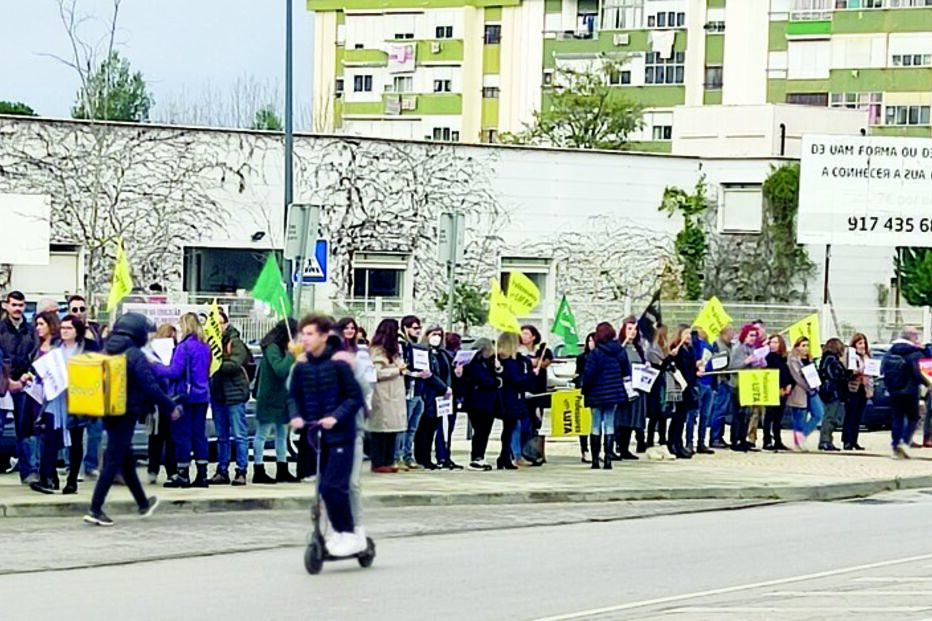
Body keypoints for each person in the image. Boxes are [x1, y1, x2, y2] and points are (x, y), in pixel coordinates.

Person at [85, 313, 177, 526]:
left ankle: (143, 503)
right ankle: (95, 508)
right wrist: (170, 406)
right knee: (114, 460)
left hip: (108, 410)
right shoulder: (134, 354)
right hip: (126, 413)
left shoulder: (108, 348)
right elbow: (150, 386)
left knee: (126, 459)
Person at [288, 314, 365, 557]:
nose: (305, 339)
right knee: (323, 488)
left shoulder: (340, 363)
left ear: (324, 336)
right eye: (303, 334)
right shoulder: (301, 366)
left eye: (310, 334)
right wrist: (297, 416)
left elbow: (355, 398)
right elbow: (293, 396)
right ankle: (339, 533)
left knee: (336, 486)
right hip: (317, 436)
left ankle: (350, 533)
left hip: (341, 435)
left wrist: (336, 417)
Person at [155, 313, 212, 489]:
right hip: (202, 395)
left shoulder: (183, 347)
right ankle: (202, 474)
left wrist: (156, 367)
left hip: (184, 396)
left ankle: (182, 474)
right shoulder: (205, 347)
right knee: (199, 434)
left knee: (181, 435)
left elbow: (175, 372)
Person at [252, 318, 299, 484]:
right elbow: (279, 369)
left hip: (283, 398)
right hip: (270, 398)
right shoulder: (272, 348)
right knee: (263, 434)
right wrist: (291, 355)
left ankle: (282, 467)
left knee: (282, 435)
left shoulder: (284, 348)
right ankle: (258, 468)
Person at [0, 291, 39, 484]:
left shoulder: (30, 330)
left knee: (25, 429)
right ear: (6, 305)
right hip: (2, 385)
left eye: (21, 305)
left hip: (24, 385)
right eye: (14, 304)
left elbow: (36, 355)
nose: (17, 308)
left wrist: (27, 376)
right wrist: (7, 382)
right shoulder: (0, 328)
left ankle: (28, 471)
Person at [209, 311, 251, 486]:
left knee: (239, 435)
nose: (216, 327)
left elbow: (235, 364)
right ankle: (222, 470)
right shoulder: (211, 343)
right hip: (218, 395)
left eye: (219, 323)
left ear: (226, 324)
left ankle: (241, 470)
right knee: (222, 436)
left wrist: (215, 364)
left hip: (234, 395)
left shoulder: (235, 342)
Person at [581, 322, 629, 470]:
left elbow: (589, 375)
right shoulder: (620, 351)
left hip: (596, 393)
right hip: (614, 392)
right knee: (610, 423)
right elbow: (626, 371)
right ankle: (608, 459)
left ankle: (596, 460)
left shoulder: (596, 353)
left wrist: (584, 390)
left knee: (595, 425)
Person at [882, 326, 931, 459]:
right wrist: (929, 384)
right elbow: (919, 373)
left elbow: (883, 370)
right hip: (910, 390)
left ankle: (895, 445)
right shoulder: (915, 353)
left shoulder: (890, 352)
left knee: (897, 418)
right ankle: (904, 442)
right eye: (917, 335)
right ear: (912, 337)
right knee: (913, 417)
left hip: (893, 390)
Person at [29, 310, 63, 494]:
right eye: (37, 324)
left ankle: (47, 476)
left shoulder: (57, 347)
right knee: (42, 436)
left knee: (51, 437)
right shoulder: (39, 346)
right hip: (38, 396)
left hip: (54, 398)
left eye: (42, 324)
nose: (38, 328)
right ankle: (51, 476)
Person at [367, 319, 407, 473]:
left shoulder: (394, 350)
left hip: (394, 395)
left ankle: (389, 460)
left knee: (393, 429)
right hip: (383, 394)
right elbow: (376, 373)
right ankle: (378, 462)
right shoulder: (378, 350)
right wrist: (396, 371)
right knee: (381, 429)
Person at [413, 325, 453, 470]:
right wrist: (443, 387)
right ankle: (421, 457)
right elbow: (429, 375)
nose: (437, 337)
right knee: (424, 428)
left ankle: (430, 457)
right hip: (428, 394)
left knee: (433, 428)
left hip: (442, 397)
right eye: (433, 334)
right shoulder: (423, 352)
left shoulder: (442, 354)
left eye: (439, 335)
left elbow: (447, 371)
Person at [496, 332, 537, 470]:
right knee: (511, 428)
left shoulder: (504, 360)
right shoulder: (510, 363)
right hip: (511, 398)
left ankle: (506, 456)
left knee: (511, 428)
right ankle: (508, 456)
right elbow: (516, 380)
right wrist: (531, 375)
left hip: (508, 397)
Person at [147, 323, 178, 484]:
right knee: (156, 436)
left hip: (170, 398)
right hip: (157, 400)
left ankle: (171, 470)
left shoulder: (177, 351)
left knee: (169, 437)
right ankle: (153, 469)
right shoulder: (152, 353)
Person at [463, 338, 500, 471]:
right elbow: (484, 379)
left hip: (488, 402)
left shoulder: (487, 363)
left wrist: (497, 368)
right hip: (477, 402)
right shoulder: (474, 364)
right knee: (480, 430)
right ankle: (476, 457)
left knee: (485, 431)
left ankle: (480, 455)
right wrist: (495, 382)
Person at [398, 315, 429, 470]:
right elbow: (402, 368)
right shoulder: (402, 345)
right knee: (403, 427)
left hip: (418, 391)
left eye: (419, 328)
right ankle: (399, 456)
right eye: (415, 328)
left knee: (412, 428)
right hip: (408, 391)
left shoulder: (418, 347)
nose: (418, 331)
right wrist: (415, 374)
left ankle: (408, 456)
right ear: (406, 328)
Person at [518, 325, 553, 465]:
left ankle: (532, 452)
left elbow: (545, 362)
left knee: (536, 422)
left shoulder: (542, 351)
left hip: (538, 392)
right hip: (524, 391)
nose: (524, 336)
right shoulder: (518, 351)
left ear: (533, 336)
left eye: (527, 334)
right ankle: (519, 452)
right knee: (523, 423)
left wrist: (538, 362)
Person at [666, 325, 699, 460]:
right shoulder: (676, 349)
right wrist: (671, 356)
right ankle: (673, 443)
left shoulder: (689, 349)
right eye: (686, 333)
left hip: (688, 385)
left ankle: (678, 443)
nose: (688, 336)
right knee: (677, 416)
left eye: (690, 334)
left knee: (683, 416)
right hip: (678, 385)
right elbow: (669, 365)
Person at [615, 317, 646, 460]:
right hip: (625, 388)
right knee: (622, 417)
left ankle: (625, 448)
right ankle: (618, 445)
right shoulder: (620, 347)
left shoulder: (638, 348)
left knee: (632, 418)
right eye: (629, 329)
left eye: (635, 329)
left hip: (638, 387)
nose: (632, 332)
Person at [787, 336, 825, 450]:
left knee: (818, 413)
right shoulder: (793, 359)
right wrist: (808, 387)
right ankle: (798, 442)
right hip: (800, 391)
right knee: (800, 417)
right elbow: (797, 377)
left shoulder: (809, 359)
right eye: (803, 345)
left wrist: (815, 385)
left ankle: (802, 435)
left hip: (812, 390)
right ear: (797, 347)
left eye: (807, 345)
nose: (806, 348)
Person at [728, 324, 762, 452]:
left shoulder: (752, 349)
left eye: (755, 336)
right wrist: (746, 361)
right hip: (738, 384)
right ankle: (735, 439)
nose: (753, 338)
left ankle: (743, 438)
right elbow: (732, 367)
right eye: (751, 335)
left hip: (748, 384)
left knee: (747, 414)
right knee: (738, 414)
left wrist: (759, 363)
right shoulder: (739, 349)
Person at [818, 338, 849, 452]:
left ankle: (826, 440)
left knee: (829, 416)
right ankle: (825, 440)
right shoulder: (832, 360)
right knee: (830, 417)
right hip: (832, 391)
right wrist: (848, 374)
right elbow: (836, 375)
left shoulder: (825, 358)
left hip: (827, 391)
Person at [843, 333, 872, 451]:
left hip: (863, 388)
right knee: (850, 415)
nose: (863, 345)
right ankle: (847, 441)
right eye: (860, 343)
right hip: (853, 387)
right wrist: (855, 372)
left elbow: (871, 376)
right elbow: (847, 372)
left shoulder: (867, 357)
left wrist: (870, 389)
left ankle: (854, 440)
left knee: (858, 416)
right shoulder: (850, 356)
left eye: (864, 343)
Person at [439, 332, 464, 469]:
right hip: (445, 395)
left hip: (453, 396)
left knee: (449, 427)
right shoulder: (444, 356)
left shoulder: (453, 357)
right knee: (444, 427)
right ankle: (443, 455)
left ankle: (446, 455)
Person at [763, 334, 792, 451]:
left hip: (783, 390)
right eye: (771, 342)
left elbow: (785, 373)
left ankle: (777, 439)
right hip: (772, 390)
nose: (773, 345)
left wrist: (788, 385)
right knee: (769, 416)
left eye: (776, 342)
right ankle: (767, 440)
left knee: (778, 418)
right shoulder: (768, 358)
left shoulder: (782, 358)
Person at [708, 325, 735, 449]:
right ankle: (715, 437)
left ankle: (720, 435)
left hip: (728, 380)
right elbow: (716, 362)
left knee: (723, 411)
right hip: (721, 381)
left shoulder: (731, 345)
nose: (732, 335)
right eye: (730, 333)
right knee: (719, 410)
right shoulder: (717, 345)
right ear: (724, 333)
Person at [572, 332, 597, 463]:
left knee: (595, 423)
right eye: (589, 341)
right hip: (584, 391)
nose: (591, 343)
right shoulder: (582, 357)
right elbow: (578, 373)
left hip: (596, 392)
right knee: (583, 423)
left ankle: (596, 450)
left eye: (593, 340)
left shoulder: (600, 356)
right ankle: (585, 449)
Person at [691, 328, 715, 454]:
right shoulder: (695, 345)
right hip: (699, 382)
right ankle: (690, 441)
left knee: (705, 415)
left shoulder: (709, 346)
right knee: (694, 414)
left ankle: (701, 442)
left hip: (709, 382)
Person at [645, 325, 669, 449]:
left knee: (663, 414)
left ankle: (662, 439)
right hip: (655, 383)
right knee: (655, 414)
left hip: (664, 382)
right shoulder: (653, 349)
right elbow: (660, 364)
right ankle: (649, 440)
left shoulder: (665, 349)